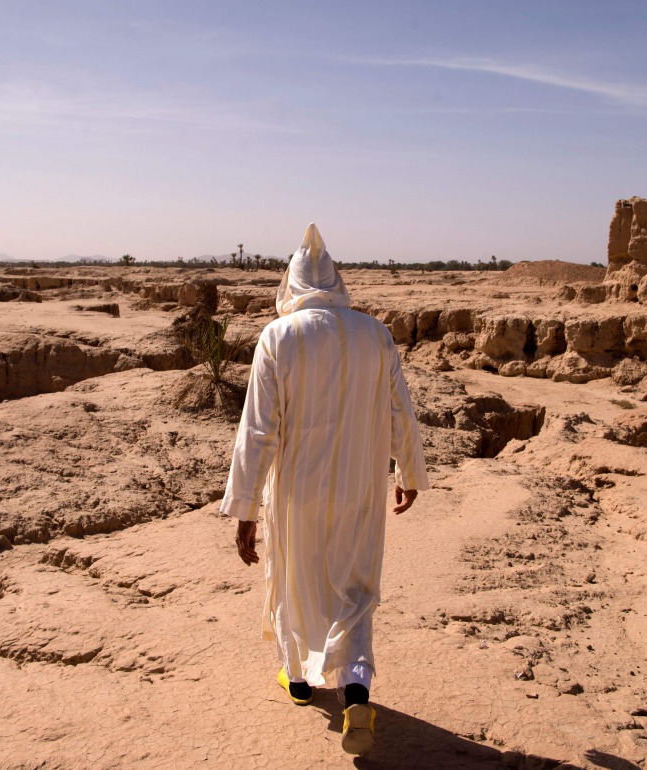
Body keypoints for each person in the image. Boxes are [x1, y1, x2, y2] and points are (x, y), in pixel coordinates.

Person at [222, 223, 429, 755]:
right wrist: (408, 471)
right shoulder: (375, 333)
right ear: (337, 283)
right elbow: (399, 411)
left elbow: (258, 430)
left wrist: (245, 507)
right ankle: (356, 692)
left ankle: (298, 681)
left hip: (295, 492)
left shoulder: (278, 337)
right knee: (354, 589)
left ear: (290, 286)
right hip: (360, 487)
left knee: (296, 579)